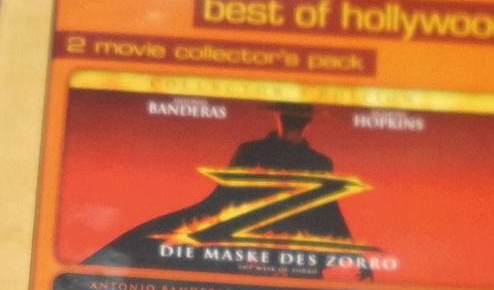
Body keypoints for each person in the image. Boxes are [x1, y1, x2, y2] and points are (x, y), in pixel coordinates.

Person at [83, 102, 353, 273]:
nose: (295, 118)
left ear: (309, 119)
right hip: (246, 249)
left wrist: (353, 253)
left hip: (288, 254)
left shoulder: (319, 162)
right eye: (289, 112)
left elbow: (328, 211)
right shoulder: (252, 151)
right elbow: (224, 199)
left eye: (300, 113)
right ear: (278, 115)